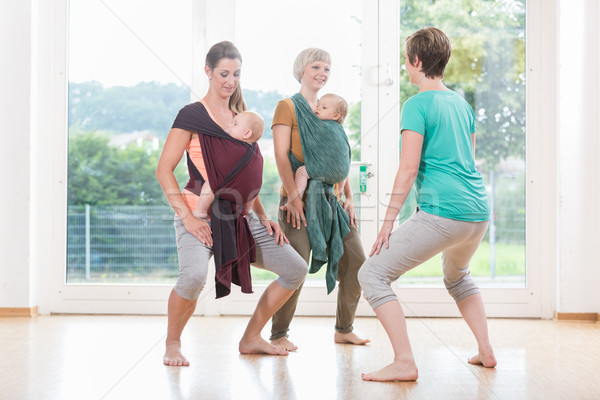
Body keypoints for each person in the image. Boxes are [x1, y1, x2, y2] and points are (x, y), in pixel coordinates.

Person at [155, 41, 308, 366]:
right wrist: (188, 217)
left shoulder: (243, 122)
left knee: (295, 268)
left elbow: (247, 177)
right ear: (208, 71)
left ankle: (252, 337)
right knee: (194, 277)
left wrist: (264, 217)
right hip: (198, 215)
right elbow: (163, 170)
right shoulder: (192, 115)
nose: (230, 80)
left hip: (241, 216)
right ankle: (172, 343)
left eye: (236, 74)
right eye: (224, 73)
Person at [358, 27, 497, 382]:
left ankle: (404, 361)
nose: (406, 67)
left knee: (372, 273)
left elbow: (408, 169)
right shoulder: (462, 104)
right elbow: (469, 157)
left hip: (444, 212)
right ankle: (486, 350)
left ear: (416, 61)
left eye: (407, 60)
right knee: (458, 277)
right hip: (478, 210)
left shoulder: (416, 104)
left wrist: (389, 221)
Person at [271, 48, 369, 351]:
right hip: (297, 201)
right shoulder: (287, 106)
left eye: (327, 68)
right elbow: (280, 155)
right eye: (316, 66)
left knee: (357, 265)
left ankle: (344, 328)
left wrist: (349, 197)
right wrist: (294, 197)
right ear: (302, 69)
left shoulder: (332, 109)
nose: (322, 73)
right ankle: (279, 334)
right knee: (295, 267)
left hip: (333, 201)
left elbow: (338, 158)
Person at [193, 111, 265, 219]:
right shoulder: (255, 150)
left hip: (230, 191)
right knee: (253, 188)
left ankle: (201, 211)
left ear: (247, 134)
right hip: (249, 194)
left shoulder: (233, 147)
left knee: (212, 183)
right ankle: (246, 211)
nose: (230, 125)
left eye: (235, 124)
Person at [294, 93, 349, 199]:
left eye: (324, 107)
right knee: (343, 163)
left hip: (327, 171)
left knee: (301, 171)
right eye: (318, 104)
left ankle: (297, 198)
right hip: (343, 173)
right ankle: (341, 189)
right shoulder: (340, 129)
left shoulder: (321, 125)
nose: (318, 107)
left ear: (335, 116)